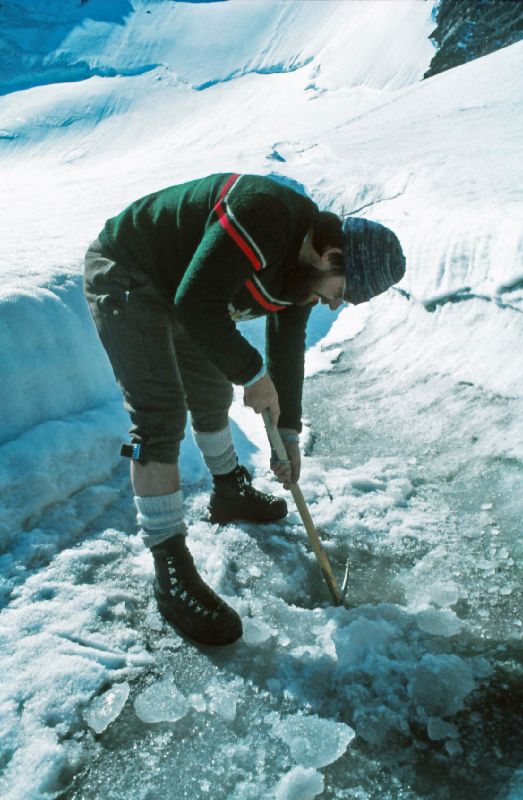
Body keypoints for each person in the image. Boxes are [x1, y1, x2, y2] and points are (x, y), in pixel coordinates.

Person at [84, 172, 405, 647]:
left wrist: (288, 435)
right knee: (160, 416)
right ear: (331, 255)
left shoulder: (304, 272)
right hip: (131, 271)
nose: (334, 306)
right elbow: (197, 304)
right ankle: (170, 569)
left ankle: (229, 490)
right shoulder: (266, 213)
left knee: (212, 389)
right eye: (340, 293)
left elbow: (287, 345)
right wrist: (252, 376)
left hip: (185, 288)